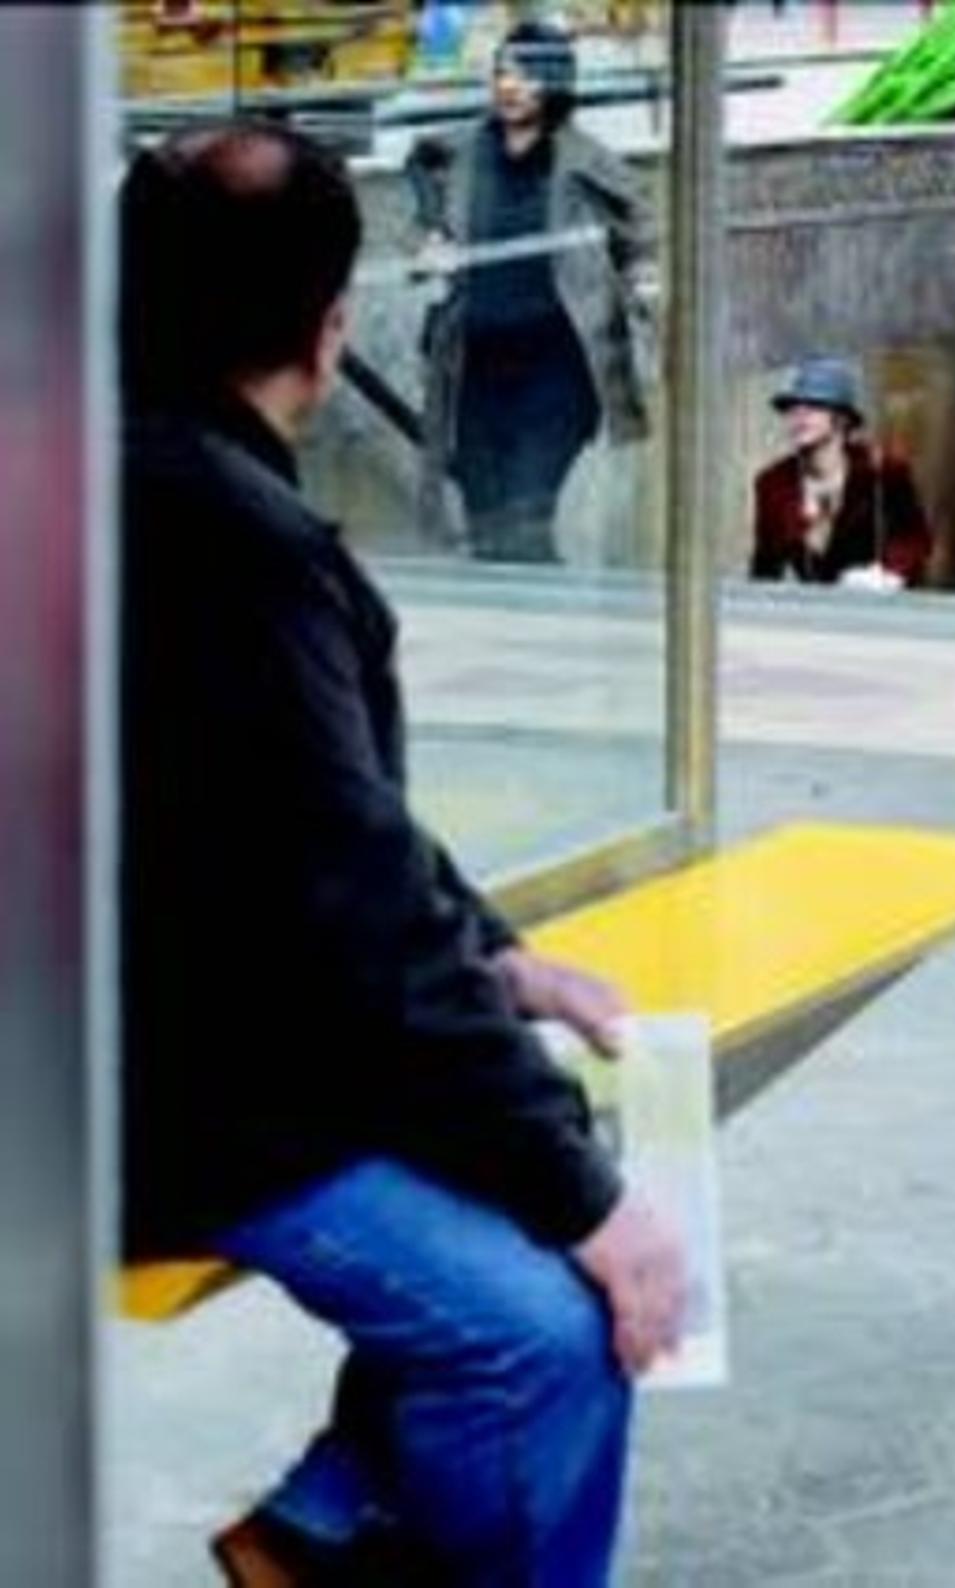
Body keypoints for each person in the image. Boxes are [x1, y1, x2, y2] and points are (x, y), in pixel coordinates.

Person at [120, 121, 685, 1587]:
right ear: (324, 333)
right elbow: (356, 910)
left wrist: (497, 952)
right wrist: (598, 1213)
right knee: (548, 1336)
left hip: (174, 1045)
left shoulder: (134, 478)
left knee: (528, 1161)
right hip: (183, 1106)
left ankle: (317, 1532)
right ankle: (331, 1534)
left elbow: (332, 817)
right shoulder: (225, 539)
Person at [401, 19, 656, 564]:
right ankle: (509, 632)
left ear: (555, 83)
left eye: (526, 75)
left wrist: (642, 281)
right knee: (484, 511)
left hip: (555, 371)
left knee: (524, 509)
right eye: (501, 73)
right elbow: (418, 159)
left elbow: (639, 223)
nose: (509, 86)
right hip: (476, 366)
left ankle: (542, 624)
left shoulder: (584, 158)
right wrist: (430, 232)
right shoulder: (466, 149)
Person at [749, 355, 932, 589]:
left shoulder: (882, 471)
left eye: (814, 406)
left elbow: (914, 540)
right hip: (808, 610)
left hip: (872, 609)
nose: (799, 416)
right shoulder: (773, 483)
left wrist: (888, 574)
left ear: (841, 419)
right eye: (792, 408)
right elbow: (765, 563)